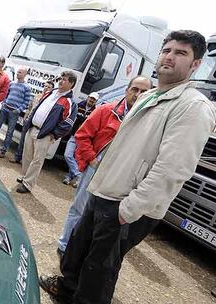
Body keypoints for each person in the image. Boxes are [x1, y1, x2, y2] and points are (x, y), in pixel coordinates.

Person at [39, 30, 216, 304]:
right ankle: (65, 288)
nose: (170, 56)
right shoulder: (150, 96)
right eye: (166, 50)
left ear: (195, 64)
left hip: (126, 204)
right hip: (103, 191)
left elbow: (172, 170)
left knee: (99, 270)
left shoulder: (193, 107)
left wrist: (128, 210)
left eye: (181, 53)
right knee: (77, 251)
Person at [57, 76, 152, 256]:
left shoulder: (146, 121)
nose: (138, 94)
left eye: (144, 91)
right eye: (135, 89)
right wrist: (92, 160)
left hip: (120, 175)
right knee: (80, 209)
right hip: (96, 168)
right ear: (127, 90)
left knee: (100, 216)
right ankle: (65, 246)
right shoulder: (106, 110)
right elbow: (82, 135)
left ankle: (81, 250)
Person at [16, 71, 78, 193]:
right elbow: (37, 108)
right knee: (27, 155)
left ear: (71, 84)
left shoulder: (70, 102)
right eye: (61, 78)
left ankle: (28, 184)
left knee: (37, 160)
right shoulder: (50, 93)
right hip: (33, 128)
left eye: (65, 79)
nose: (60, 81)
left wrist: (53, 134)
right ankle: (24, 176)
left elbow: (68, 123)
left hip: (45, 135)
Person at [0, 67, 32, 158]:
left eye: (20, 72)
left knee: (9, 132)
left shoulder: (27, 88)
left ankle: (3, 150)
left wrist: (18, 110)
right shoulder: (11, 84)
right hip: (4, 109)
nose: (18, 73)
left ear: (24, 74)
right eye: (18, 72)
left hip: (14, 112)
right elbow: (5, 94)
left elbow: (26, 102)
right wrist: (3, 103)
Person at [10, 80, 54, 164]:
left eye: (49, 87)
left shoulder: (49, 100)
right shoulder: (37, 96)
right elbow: (30, 107)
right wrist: (25, 117)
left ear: (52, 90)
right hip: (28, 122)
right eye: (45, 86)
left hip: (36, 125)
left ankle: (27, 162)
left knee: (31, 146)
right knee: (22, 140)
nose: (46, 88)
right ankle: (17, 158)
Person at [62, 92, 98, 187]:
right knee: (67, 155)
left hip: (84, 139)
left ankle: (69, 178)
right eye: (91, 98)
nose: (91, 100)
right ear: (88, 97)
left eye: (94, 99)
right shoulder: (79, 106)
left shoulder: (95, 111)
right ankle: (78, 175)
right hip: (74, 135)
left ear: (96, 101)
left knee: (76, 158)